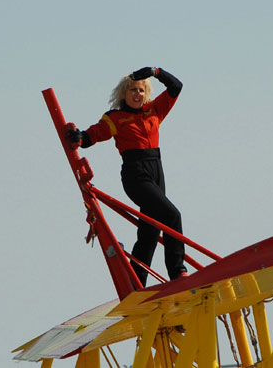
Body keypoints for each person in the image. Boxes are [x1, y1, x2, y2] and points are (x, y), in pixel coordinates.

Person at [68, 67, 187, 287]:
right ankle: (178, 271)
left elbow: (176, 87)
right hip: (135, 174)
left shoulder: (154, 110)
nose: (137, 94)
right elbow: (91, 136)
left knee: (150, 231)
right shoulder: (116, 117)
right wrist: (79, 136)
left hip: (157, 171)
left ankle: (136, 281)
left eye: (141, 90)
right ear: (124, 93)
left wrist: (155, 71)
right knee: (172, 216)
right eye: (132, 89)